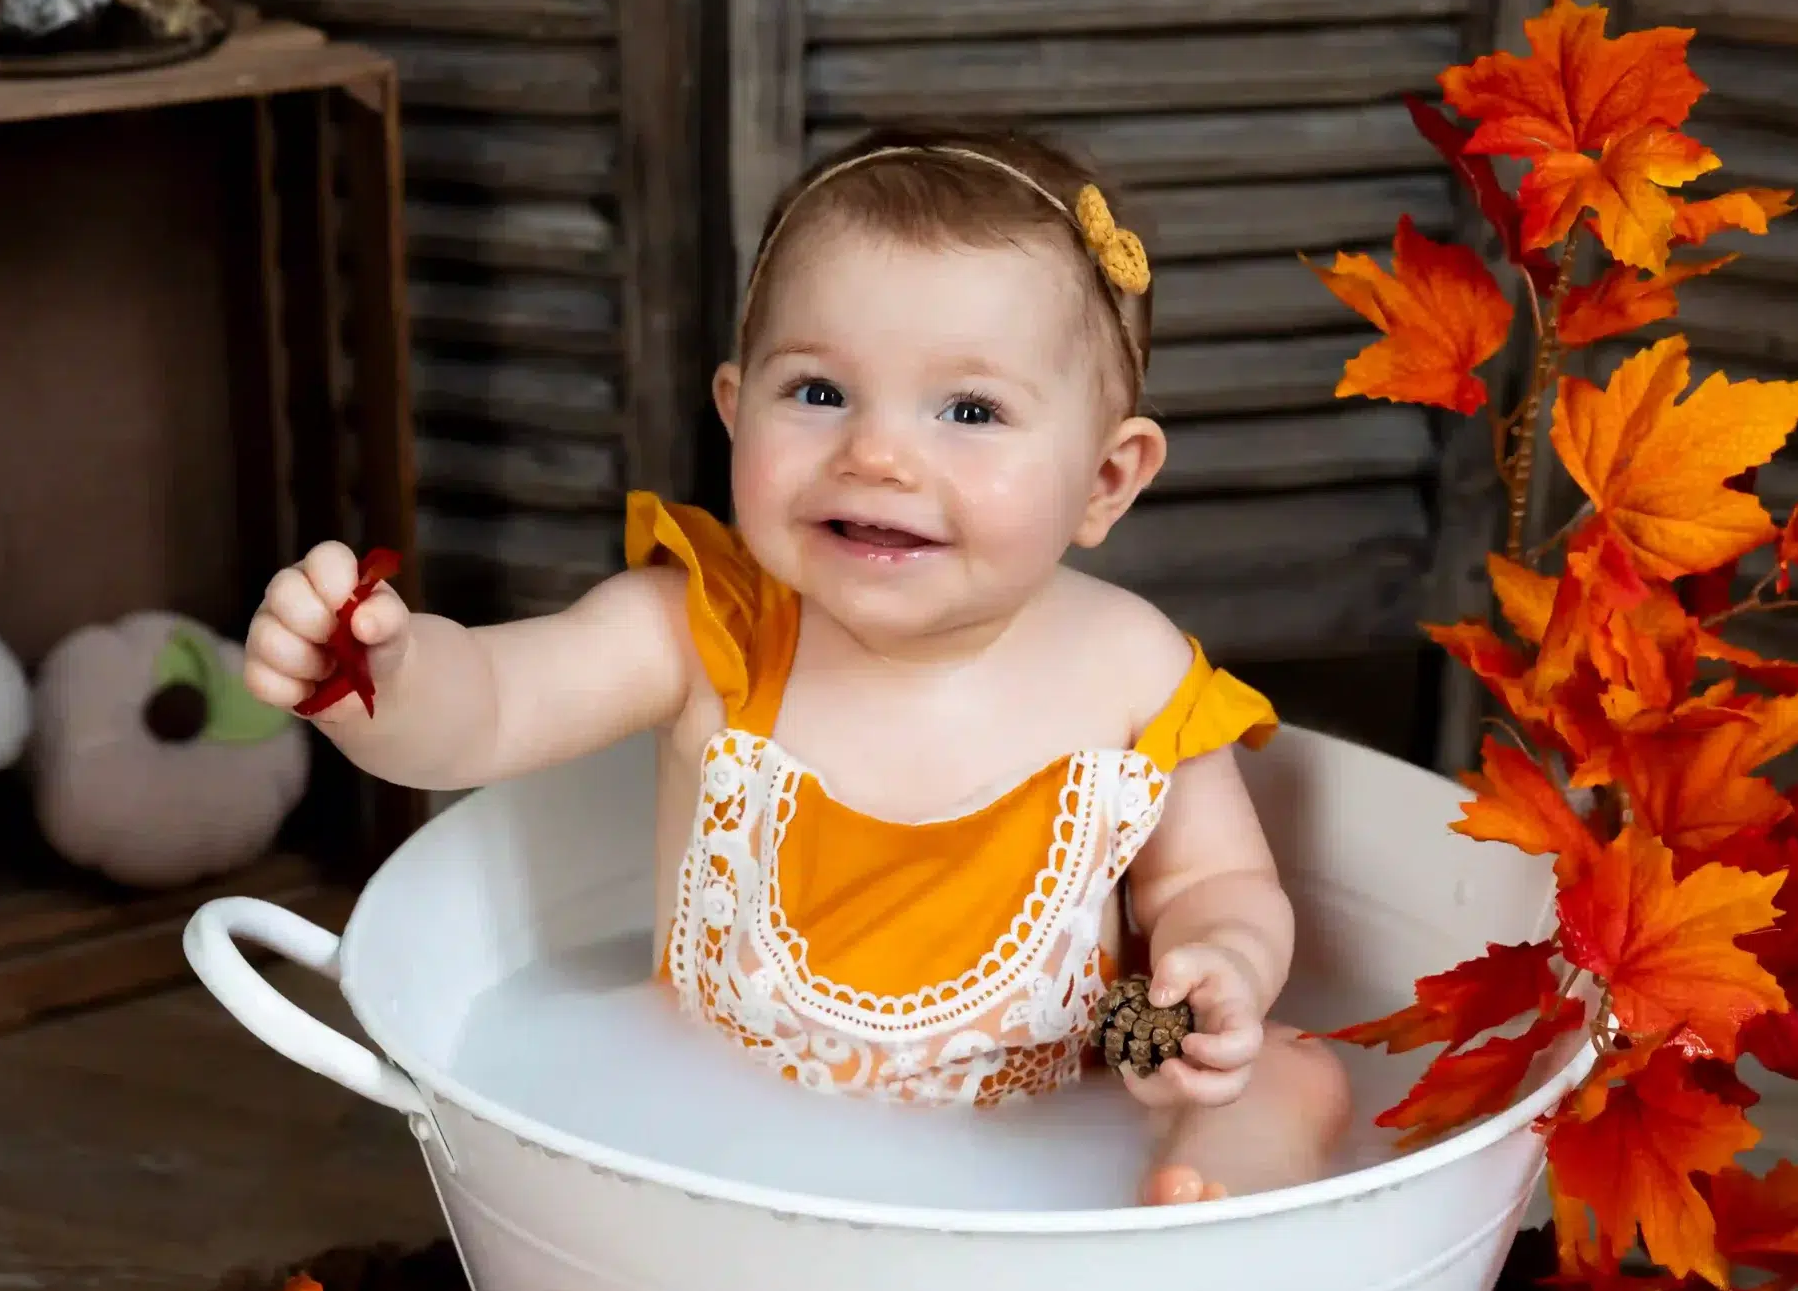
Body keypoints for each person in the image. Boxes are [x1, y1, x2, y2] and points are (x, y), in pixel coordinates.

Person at [245, 128, 1350, 1204]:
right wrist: (378, 675)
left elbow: (1218, 883)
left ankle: (1214, 1205)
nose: (876, 453)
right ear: (734, 412)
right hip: (729, 1146)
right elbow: (492, 709)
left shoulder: (1135, 672)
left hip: (1051, 1137)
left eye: (969, 410)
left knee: (1285, 1072)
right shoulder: (706, 629)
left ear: (1107, 479)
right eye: (818, 392)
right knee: (602, 1149)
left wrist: (1221, 967)